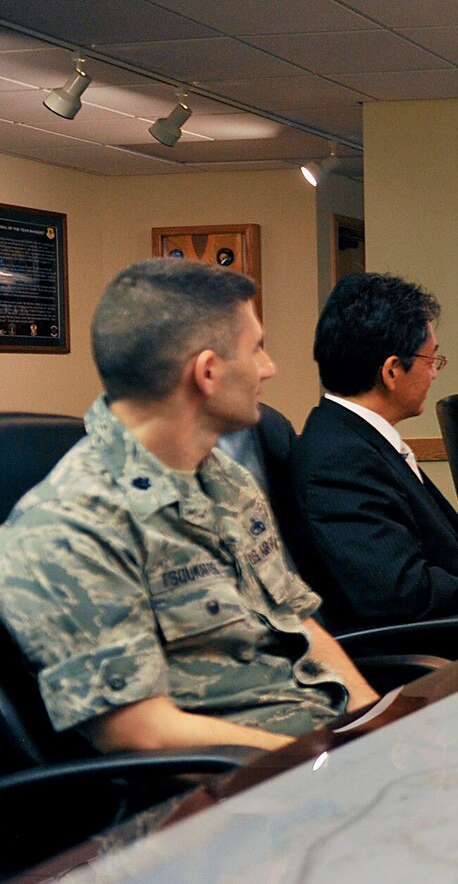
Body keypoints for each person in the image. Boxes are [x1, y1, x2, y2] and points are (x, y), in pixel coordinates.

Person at [0, 260, 377, 752]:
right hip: (225, 795)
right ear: (207, 372)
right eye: (256, 348)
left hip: (318, 750)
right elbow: (142, 734)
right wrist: (325, 760)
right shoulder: (71, 525)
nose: (269, 367)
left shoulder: (225, 480)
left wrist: (376, 727)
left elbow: (297, 622)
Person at [293, 273, 458, 629]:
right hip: (423, 668)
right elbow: (394, 593)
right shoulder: (339, 460)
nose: (434, 374)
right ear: (393, 371)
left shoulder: (357, 440)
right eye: (431, 360)